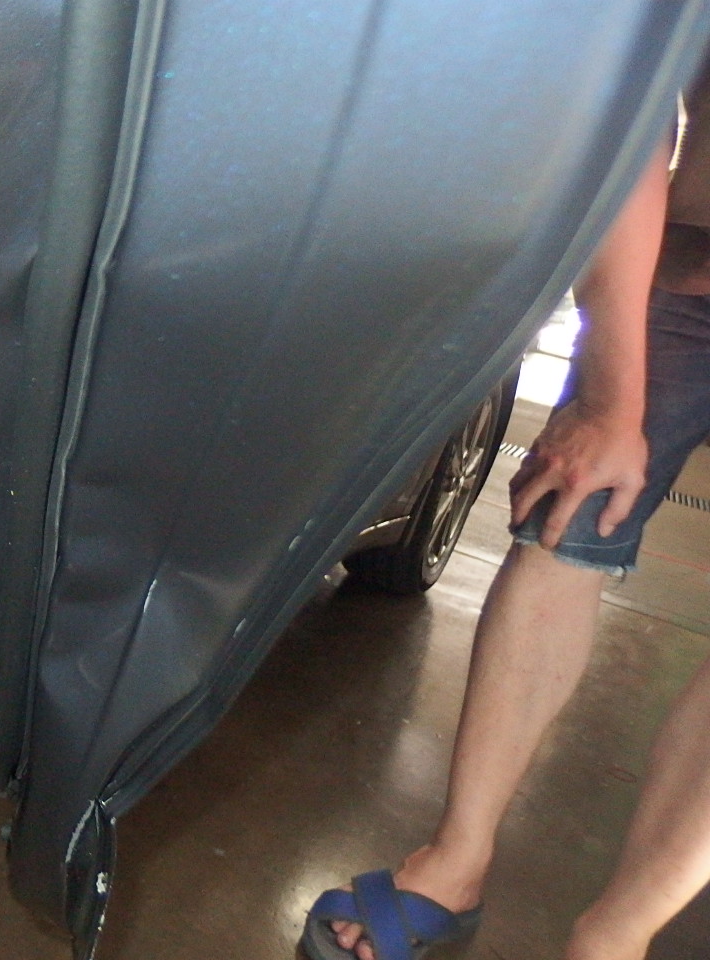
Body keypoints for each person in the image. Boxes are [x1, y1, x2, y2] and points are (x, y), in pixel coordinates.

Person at [302, 76, 710, 960]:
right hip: (690, 272)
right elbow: (632, 103)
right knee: (570, 512)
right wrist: (610, 398)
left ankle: (617, 935)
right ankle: (455, 862)